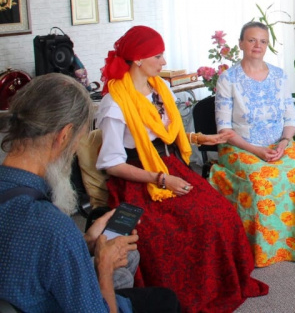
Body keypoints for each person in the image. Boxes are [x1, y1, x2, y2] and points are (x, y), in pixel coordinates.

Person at [96, 25, 269, 313]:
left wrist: (200, 138)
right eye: (158, 56)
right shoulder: (114, 103)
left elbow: (165, 136)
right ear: (138, 59)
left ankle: (222, 285)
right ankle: (188, 297)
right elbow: (111, 163)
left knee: (221, 214)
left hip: (170, 167)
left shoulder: (159, 88)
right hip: (139, 178)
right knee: (170, 233)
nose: (164, 62)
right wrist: (161, 179)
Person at [0, 73, 179, 313]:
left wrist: (84, 243)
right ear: (64, 136)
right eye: (79, 139)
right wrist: (103, 267)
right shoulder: (53, 226)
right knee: (165, 299)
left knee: (129, 260)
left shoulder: (44, 222)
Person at [209, 21, 295, 267]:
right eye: (252, 40)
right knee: (261, 181)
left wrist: (285, 142)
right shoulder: (228, 79)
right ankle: (266, 248)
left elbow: (290, 117)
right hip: (240, 146)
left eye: (263, 41)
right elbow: (224, 129)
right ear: (241, 43)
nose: (258, 45)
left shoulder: (279, 75)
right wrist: (256, 150)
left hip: (279, 144)